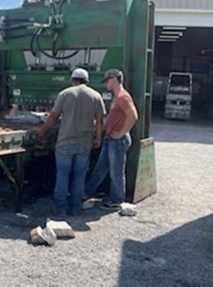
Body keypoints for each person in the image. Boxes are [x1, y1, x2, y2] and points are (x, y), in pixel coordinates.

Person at [36, 68, 105, 216]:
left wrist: (42, 131)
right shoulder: (96, 96)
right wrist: (98, 138)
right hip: (85, 142)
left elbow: (53, 116)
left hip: (65, 142)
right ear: (87, 81)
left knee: (63, 174)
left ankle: (60, 209)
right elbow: (99, 121)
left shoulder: (65, 93)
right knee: (79, 175)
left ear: (72, 80)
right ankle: (75, 208)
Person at [85, 69, 138, 210]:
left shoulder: (123, 97)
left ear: (115, 79)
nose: (106, 84)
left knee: (116, 171)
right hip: (111, 140)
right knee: (101, 169)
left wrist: (121, 133)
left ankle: (117, 200)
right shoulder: (117, 97)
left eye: (107, 81)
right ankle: (85, 192)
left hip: (117, 141)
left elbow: (133, 115)